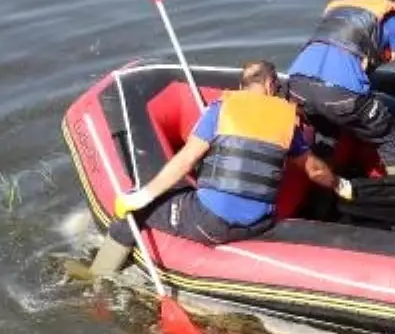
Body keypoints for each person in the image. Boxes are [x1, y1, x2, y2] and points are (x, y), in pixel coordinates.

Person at [85, 60, 353, 277]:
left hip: (212, 223)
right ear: (271, 83)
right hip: (259, 225)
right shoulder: (286, 122)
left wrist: (142, 196)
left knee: (136, 211)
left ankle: (98, 279)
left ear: (242, 85)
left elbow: (185, 161)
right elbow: (315, 170)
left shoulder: (219, 110)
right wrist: (340, 184)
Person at [285, 0, 395, 176]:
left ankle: (323, 192)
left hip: (297, 86)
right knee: (390, 138)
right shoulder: (393, 17)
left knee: (327, 134)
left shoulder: (340, 9)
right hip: (341, 94)